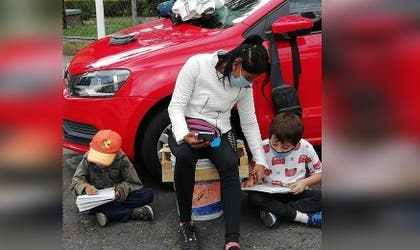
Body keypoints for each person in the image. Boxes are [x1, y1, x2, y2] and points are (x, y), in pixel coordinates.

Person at [168, 35, 270, 250]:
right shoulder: (197, 65)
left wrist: (260, 160)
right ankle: (186, 223)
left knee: (230, 164)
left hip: (219, 130)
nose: (250, 83)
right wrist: (184, 134)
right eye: (249, 77)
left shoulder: (243, 87)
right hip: (188, 125)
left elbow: (249, 122)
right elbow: (175, 106)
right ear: (236, 64)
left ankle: (232, 239)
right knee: (186, 157)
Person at [242, 112, 322, 228]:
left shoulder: (305, 147)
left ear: (296, 143)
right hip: (270, 193)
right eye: (274, 143)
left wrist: (304, 182)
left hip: (295, 191)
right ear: (271, 136)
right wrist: (251, 179)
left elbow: (320, 173)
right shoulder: (262, 147)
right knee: (254, 198)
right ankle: (302, 217)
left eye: (285, 147)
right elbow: (253, 171)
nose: (278, 149)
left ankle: (275, 211)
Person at [70, 129, 154, 227]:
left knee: (148, 194)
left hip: (116, 197)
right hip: (96, 199)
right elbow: (76, 181)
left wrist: (120, 191)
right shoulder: (87, 159)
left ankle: (110, 213)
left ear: (115, 154)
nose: (99, 162)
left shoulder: (122, 159)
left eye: (103, 158)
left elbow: (135, 183)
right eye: (98, 157)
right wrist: (86, 188)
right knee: (88, 205)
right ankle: (131, 213)